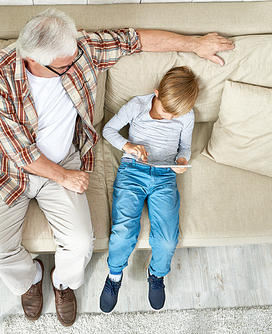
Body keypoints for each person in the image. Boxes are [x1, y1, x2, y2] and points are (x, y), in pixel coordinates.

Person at [0, 9, 233, 327]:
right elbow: (18, 151)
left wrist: (194, 44)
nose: (76, 65)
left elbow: (133, 40)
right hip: (8, 167)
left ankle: (62, 283)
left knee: (82, 243)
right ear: (33, 61)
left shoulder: (78, 50)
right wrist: (66, 177)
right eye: (66, 65)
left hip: (62, 159)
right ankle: (30, 279)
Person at [99, 66, 198, 313]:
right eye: (166, 111)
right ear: (156, 94)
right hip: (133, 171)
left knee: (166, 239)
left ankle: (157, 275)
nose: (169, 118)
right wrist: (129, 146)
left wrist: (182, 161)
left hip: (165, 174)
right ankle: (114, 276)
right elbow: (108, 130)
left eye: (176, 115)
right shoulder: (138, 106)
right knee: (123, 232)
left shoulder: (186, 115)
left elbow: (184, 147)